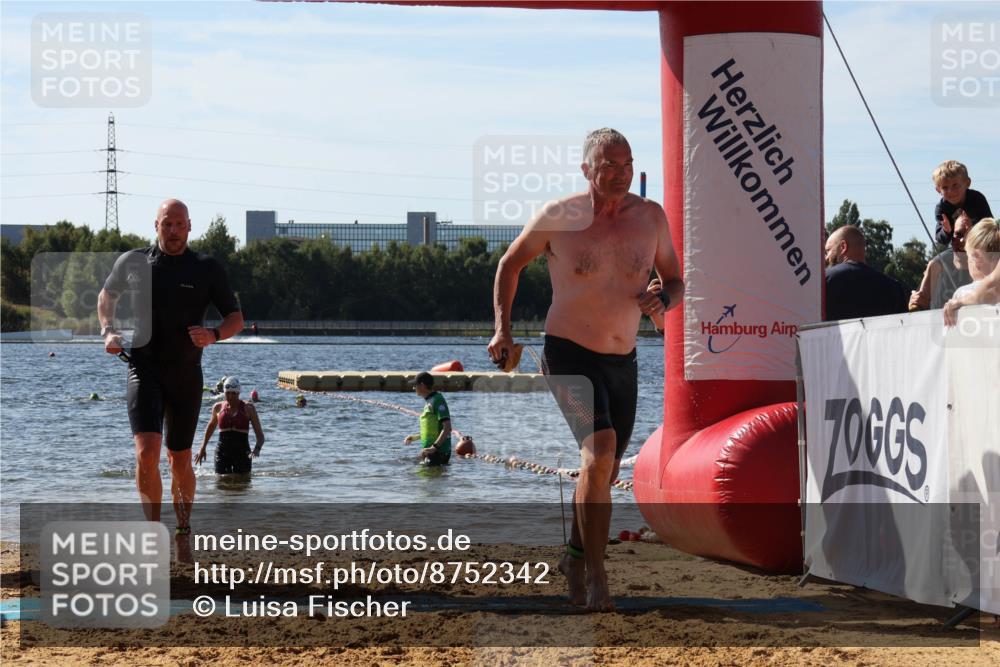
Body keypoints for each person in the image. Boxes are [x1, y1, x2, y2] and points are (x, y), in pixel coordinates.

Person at [488, 128, 683, 611]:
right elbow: (509, 266)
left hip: (624, 358)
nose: (619, 175)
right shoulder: (560, 217)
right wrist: (502, 332)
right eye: (608, 166)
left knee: (602, 469)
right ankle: (597, 575)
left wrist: (664, 297)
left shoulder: (651, 217)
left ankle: (574, 556)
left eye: (626, 165)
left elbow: (676, 280)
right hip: (567, 352)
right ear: (586, 170)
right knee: (601, 454)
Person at [98, 198, 243, 550]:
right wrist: (108, 330)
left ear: (190, 226)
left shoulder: (206, 268)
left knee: (179, 459)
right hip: (142, 368)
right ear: (156, 225)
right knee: (146, 453)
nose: (174, 231)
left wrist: (213, 335)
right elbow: (106, 295)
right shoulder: (134, 261)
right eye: (167, 224)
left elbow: (235, 318)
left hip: (186, 374)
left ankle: (182, 530)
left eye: (179, 224)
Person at [824, 225, 907, 321]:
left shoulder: (824, 281)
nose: (826, 257)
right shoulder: (895, 289)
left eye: (828, 250)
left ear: (843, 247)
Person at [195, 377, 265, 475]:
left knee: (242, 485)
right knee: (221, 483)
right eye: (228, 393)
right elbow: (210, 427)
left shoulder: (248, 408)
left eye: (233, 393)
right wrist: (202, 448)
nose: (230, 396)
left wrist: (257, 449)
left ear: (238, 393)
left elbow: (260, 435)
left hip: (242, 453)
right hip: (222, 453)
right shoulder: (218, 408)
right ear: (224, 393)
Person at [910, 215, 974, 311]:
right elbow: (919, 304)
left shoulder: (994, 265)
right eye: (958, 234)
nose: (962, 241)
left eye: (970, 236)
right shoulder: (937, 264)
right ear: (951, 237)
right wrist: (915, 301)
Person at [944, 218, 1000, 325]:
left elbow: (993, 290)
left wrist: (959, 301)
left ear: (976, 257)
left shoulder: (963, 293)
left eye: (968, 257)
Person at [931, 160, 993, 245]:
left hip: (981, 245)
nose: (951, 191)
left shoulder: (977, 199)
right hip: (958, 249)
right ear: (938, 190)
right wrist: (946, 231)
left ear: (967, 183)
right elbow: (940, 239)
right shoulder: (942, 208)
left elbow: (990, 226)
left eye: (955, 185)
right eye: (945, 187)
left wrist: (972, 228)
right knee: (935, 259)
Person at [403, 371, 452, 466]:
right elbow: (432, 430)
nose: (413, 388)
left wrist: (434, 447)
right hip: (432, 452)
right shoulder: (429, 401)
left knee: (424, 477)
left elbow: (447, 428)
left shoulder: (438, 400)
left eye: (415, 385)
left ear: (422, 385)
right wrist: (414, 437)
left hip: (438, 452)